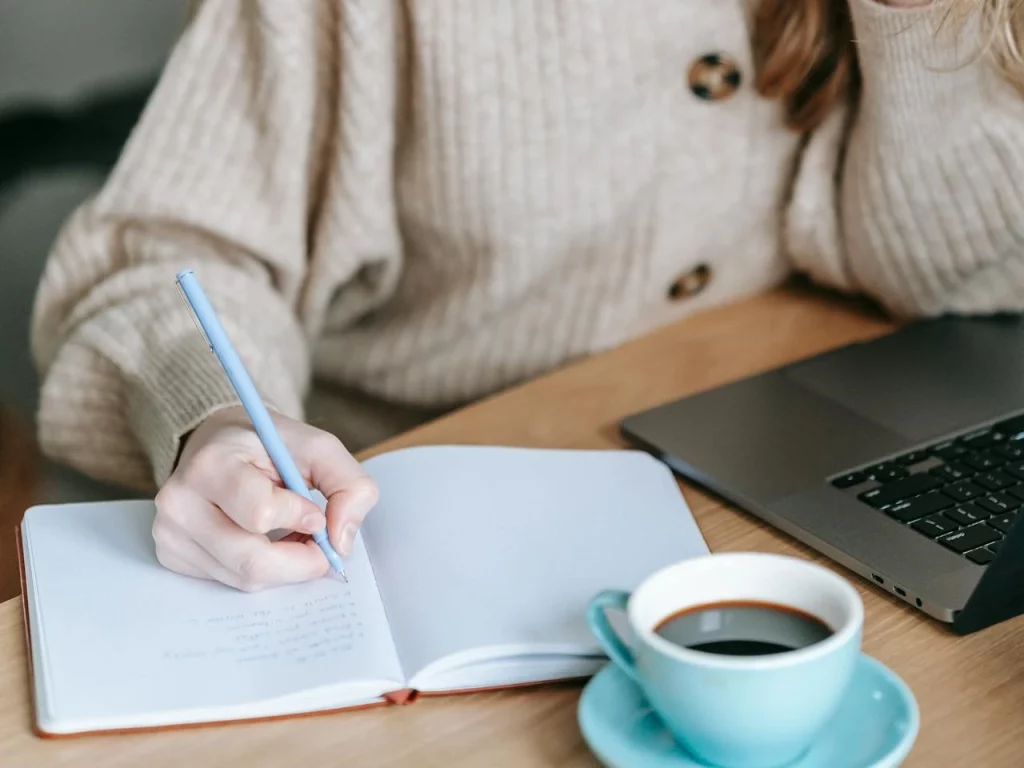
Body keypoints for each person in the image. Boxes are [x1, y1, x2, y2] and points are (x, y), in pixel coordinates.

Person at [30, 0, 1024, 591]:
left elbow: (942, 274)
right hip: (401, 529)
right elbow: (159, 256)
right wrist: (211, 411)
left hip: (784, 490)